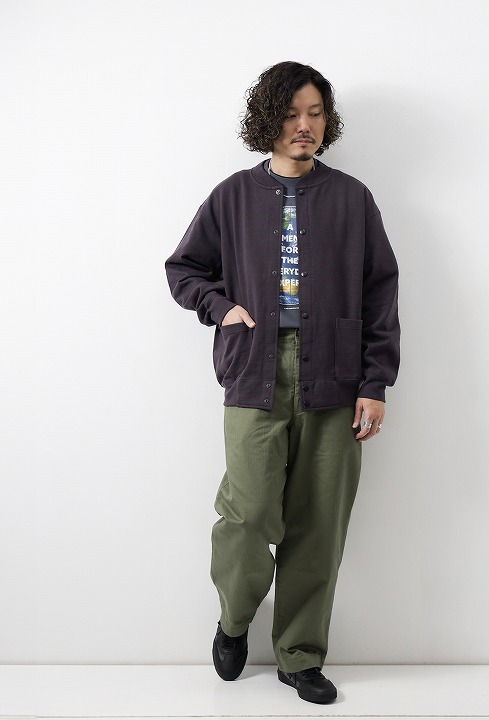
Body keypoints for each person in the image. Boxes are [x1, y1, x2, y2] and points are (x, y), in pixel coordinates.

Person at [165, 61, 400, 704]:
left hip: (336, 374)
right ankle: (234, 618)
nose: (305, 126)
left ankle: (300, 655)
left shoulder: (351, 198)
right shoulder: (232, 196)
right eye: (293, 113)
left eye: (316, 113)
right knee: (247, 514)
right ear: (268, 120)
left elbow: (380, 290)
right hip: (253, 370)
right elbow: (184, 269)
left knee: (318, 523)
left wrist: (375, 382)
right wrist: (221, 308)